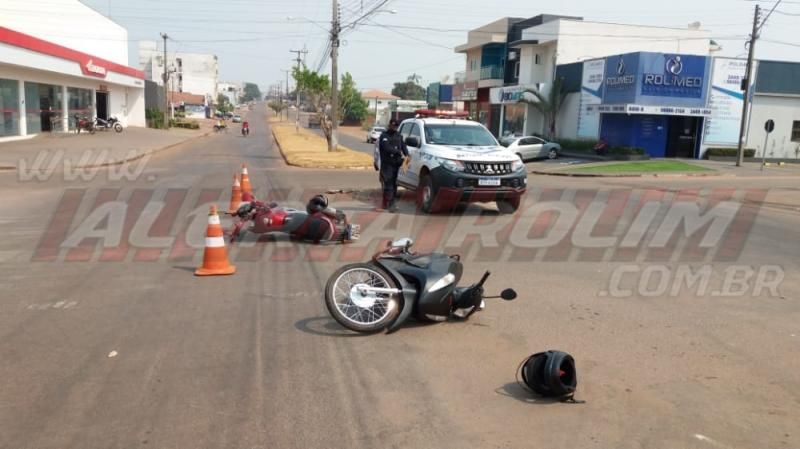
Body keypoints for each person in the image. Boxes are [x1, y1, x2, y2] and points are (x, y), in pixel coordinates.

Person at [376, 119, 408, 212]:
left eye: (396, 126)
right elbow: (386, 148)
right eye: (393, 126)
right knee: (388, 183)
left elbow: (403, 146)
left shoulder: (399, 136)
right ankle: (391, 204)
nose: (394, 128)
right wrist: (397, 152)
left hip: (396, 164)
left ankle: (389, 203)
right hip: (387, 164)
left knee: (393, 184)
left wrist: (407, 155)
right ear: (389, 125)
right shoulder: (384, 136)